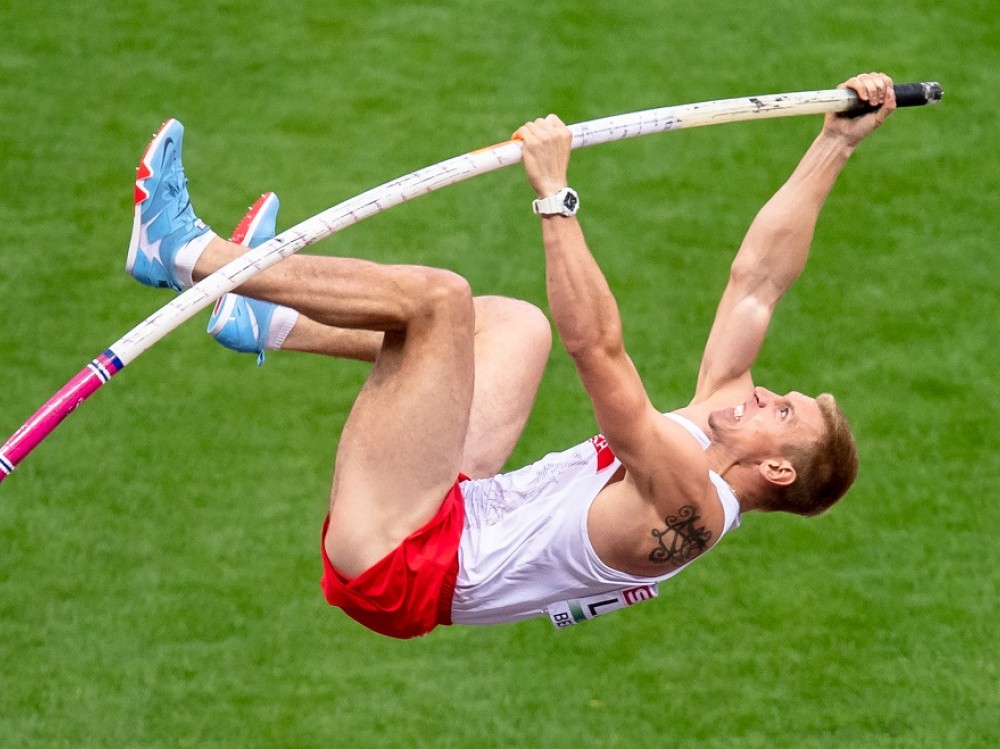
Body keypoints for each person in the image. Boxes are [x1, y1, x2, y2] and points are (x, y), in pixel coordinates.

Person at [125, 72, 896, 638]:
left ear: (780, 469)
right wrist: (834, 143)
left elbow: (599, 350)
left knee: (439, 303)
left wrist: (555, 196)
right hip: (454, 509)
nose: (766, 394)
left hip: (398, 560)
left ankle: (188, 250)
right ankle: (268, 317)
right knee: (514, 328)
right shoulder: (714, 430)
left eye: (782, 411)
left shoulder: (687, 501)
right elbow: (758, 280)